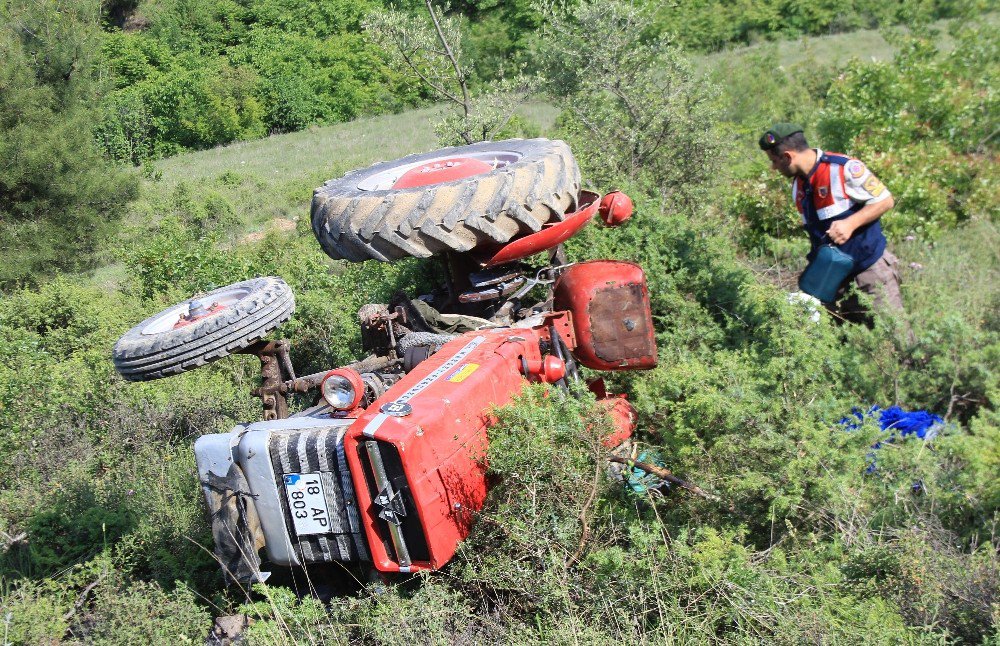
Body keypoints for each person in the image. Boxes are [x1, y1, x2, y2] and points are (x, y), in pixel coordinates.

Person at [758, 123, 905, 322]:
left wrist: (851, 223)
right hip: (833, 281)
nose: (773, 168)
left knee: (895, 341)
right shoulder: (798, 187)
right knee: (840, 346)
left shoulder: (843, 168)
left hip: (871, 272)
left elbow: (886, 200)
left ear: (787, 156)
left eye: (774, 161)